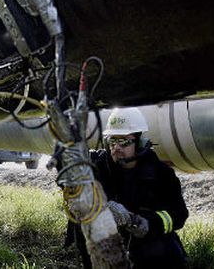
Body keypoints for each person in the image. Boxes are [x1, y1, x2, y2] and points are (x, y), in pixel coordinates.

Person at [65, 107, 189, 268]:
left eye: (124, 141)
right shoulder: (97, 168)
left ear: (140, 143)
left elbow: (179, 215)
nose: (116, 148)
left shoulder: (162, 175)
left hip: (146, 241)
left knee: (168, 252)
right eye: (113, 141)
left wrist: (142, 222)